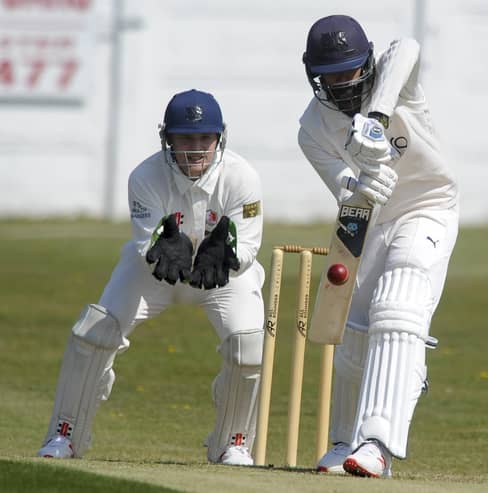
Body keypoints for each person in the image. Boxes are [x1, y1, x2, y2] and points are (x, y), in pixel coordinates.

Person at [37, 89, 265, 466]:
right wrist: (161, 247)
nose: (195, 150)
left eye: (204, 139)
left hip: (221, 279)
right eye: (185, 139)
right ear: (167, 138)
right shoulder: (145, 176)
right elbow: (149, 247)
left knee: (249, 346)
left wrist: (228, 257)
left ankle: (233, 442)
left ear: (219, 138)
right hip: (154, 277)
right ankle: (65, 435)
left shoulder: (242, 178)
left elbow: (248, 251)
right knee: (94, 332)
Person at [298, 15, 459, 478]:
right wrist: (364, 180)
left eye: (350, 72)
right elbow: (346, 192)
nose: (342, 84)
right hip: (372, 222)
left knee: (400, 304)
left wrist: (377, 119)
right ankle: (344, 441)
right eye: (330, 77)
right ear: (314, 78)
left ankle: (377, 444)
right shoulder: (312, 130)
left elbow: (406, 46)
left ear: (367, 62)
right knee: (356, 331)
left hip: (429, 206)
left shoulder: (396, 84)